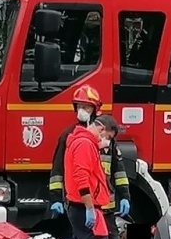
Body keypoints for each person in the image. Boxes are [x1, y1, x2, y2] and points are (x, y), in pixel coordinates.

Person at [48, 84, 130, 228]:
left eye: (86, 107)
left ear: (95, 109)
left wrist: (125, 196)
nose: (81, 110)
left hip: (105, 205)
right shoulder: (69, 135)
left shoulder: (106, 135)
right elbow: (58, 170)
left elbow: (119, 170)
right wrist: (55, 197)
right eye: (79, 106)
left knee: (111, 238)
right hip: (81, 205)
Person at [62, 114, 114, 239]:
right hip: (85, 206)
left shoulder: (85, 143)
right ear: (102, 129)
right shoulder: (85, 144)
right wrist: (89, 208)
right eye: (108, 137)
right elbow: (82, 178)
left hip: (87, 205)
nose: (107, 141)